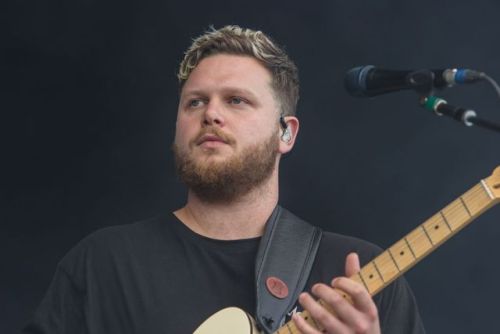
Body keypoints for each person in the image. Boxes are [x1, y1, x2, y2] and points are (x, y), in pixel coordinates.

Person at [24, 25, 425, 334]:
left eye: (236, 100)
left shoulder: (358, 276)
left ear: (286, 133)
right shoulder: (103, 264)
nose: (211, 114)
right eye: (195, 102)